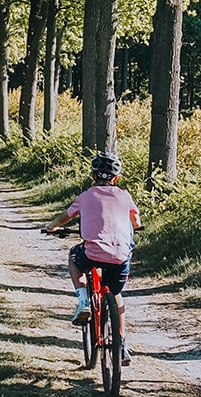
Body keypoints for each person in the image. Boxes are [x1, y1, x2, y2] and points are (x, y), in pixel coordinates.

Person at [42, 152, 143, 363]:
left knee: (74, 257)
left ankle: (82, 301)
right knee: (115, 294)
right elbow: (135, 220)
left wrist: (52, 227)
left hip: (92, 254)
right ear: (116, 178)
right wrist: (135, 226)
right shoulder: (125, 196)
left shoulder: (86, 196)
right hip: (120, 257)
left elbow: (66, 216)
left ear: (93, 175)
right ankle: (121, 344)